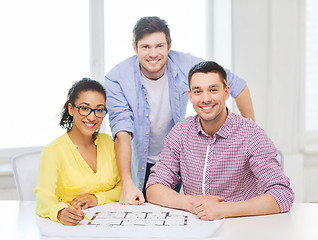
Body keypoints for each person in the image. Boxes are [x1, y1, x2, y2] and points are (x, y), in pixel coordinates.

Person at [105, 16, 255, 205]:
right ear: (135, 48)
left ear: (169, 46)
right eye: (145, 47)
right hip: (133, 163)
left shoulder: (186, 64)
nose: (153, 54)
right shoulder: (117, 78)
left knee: (170, 216)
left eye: (159, 46)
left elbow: (238, 86)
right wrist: (127, 182)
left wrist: (250, 134)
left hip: (173, 160)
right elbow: (122, 132)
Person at [146, 61, 294, 220]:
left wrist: (224, 209)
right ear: (190, 96)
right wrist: (192, 203)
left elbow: (282, 194)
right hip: (197, 226)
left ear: (226, 92)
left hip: (242, 225)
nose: (205, 99)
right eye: (198, 91)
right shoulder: (181, 132)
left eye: (213, 90)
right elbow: (154, 187)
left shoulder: (251, 135)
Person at [35, 78, 121, 225]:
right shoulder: (53, 152)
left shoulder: (107, 142)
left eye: (99, 110)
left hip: (109, 224)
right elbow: (43, 198)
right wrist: (60, 213)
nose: (92, 117)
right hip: (73, 227)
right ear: (71, 109)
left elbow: (123, 187)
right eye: (85, 108)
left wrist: (96, 198)